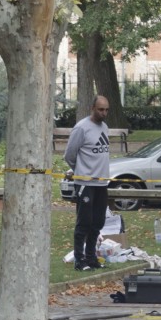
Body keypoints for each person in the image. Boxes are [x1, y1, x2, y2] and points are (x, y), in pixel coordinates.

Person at [64, 95, 111, 271]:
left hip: (102, 183)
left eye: (106, 110)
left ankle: (92, 258)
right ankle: (79, 259)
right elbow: (69, 154)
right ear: (92, 108)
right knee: (84, 221)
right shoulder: (81, 128)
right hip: (85, 183)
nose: (104, 113)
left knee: (98, 222)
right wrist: (80, 171)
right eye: (101, 109)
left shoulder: (104, 127)